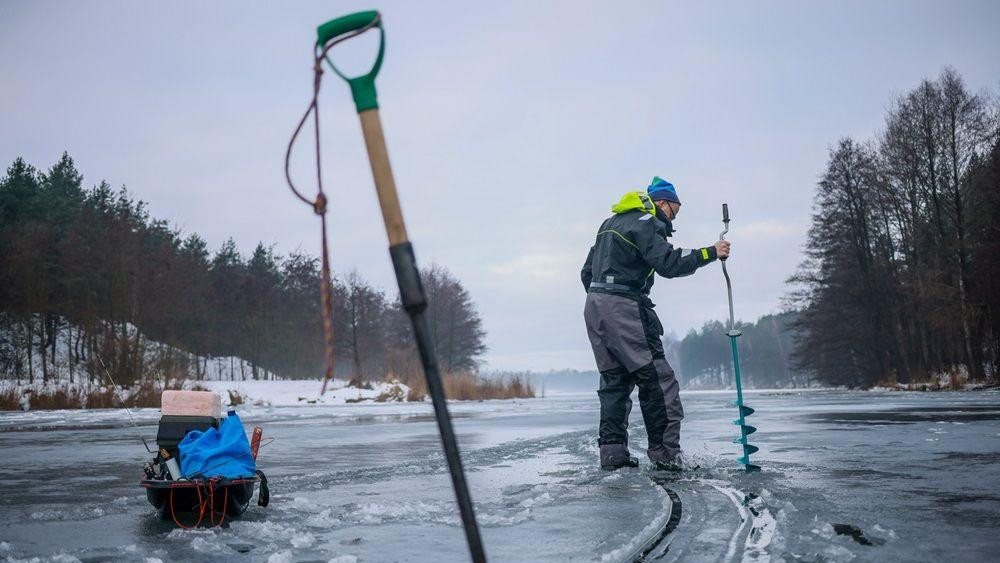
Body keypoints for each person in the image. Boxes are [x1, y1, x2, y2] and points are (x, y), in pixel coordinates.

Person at [581, 177, 730, 470]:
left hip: (595, 307)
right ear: (662, 202)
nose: (674, 217)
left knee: (615, 381)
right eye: (674, 210)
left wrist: (604, 299)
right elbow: (669, 264)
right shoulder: (647, 221)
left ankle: (613, 456)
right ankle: (666, 458)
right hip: (623, 306)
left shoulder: (610, 223)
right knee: (659, 381)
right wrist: (710, 252)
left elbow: (586, 272)